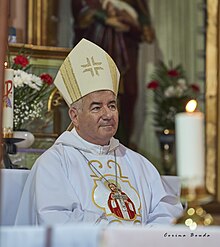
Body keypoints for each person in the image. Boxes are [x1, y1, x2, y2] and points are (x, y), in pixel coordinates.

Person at [15, 39, 182, 226]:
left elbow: (168, 213)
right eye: (96, 107)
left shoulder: (138, 163)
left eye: (112, 105)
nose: (108, 114)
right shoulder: (55, 163)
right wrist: (117, 233)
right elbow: (56, 219)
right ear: (75, 116)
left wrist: (142, 239)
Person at [72, 0, 154, 147]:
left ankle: (123, 143)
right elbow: (82, 11)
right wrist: (106, 18)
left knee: (128, 94)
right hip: (96, 44)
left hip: (126, 50)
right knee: (93, 95)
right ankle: (90, 141)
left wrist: (135, 22)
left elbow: (142, 18)